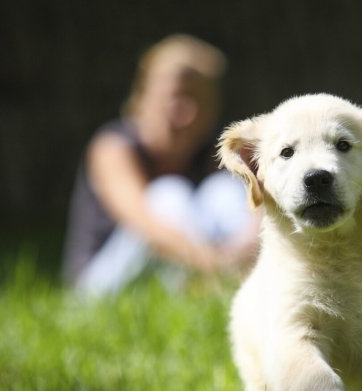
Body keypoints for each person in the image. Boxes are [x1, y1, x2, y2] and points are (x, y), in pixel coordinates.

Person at [62, 34, 259, 296]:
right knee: (167, 194)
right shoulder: (113, 147)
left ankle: (251, 284)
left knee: (223, 191)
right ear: (143, 97)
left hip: (192, 273)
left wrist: (241, 250)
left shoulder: (214, 152)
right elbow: (146, 223)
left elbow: (263, 210)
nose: (184, 112)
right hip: (99, 287)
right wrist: (215, 265)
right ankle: (225, 285)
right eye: (174, 97)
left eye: (198, 100)